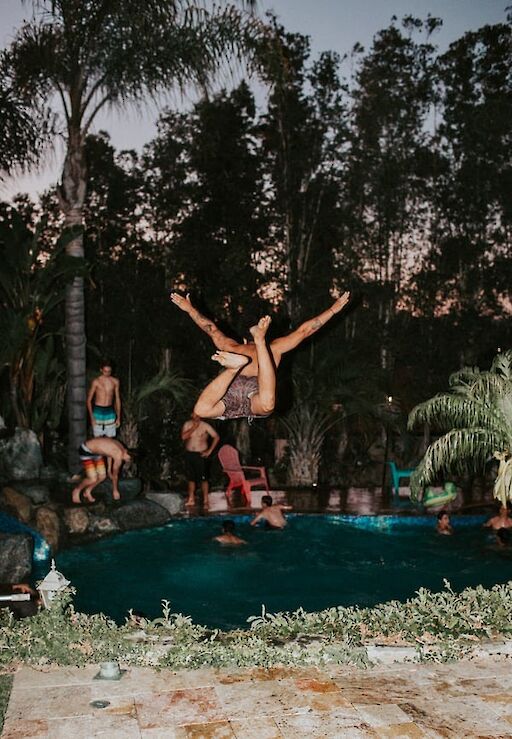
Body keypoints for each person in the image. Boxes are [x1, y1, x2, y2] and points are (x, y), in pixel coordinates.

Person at [170, 291, 350, 420]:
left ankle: (234, 368)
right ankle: (259, 343)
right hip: (256, 393)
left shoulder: (232, 346)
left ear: (243, 339)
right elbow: (304, 331)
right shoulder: (276, 348)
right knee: (267, 405)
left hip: (231, 391)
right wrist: (333, 310)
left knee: (201, 411)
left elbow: (211, 329)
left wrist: (190, 310)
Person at [71, 438, 131, 504]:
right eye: (128, 459)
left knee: (102, 476)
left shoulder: (121, 447)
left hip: (97, 453)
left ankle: (87, 491)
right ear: (127, 454)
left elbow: (109, 454)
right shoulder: (119, 457)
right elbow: (115, 475)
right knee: (92, 479)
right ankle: (76, 490)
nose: (127, 461)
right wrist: (115, 490)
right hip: (86, 450)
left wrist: (109, 470)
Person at [181, 412, 220, 508]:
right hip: (190, 454)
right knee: (191, 478)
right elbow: (183, 437)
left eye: (198, 415)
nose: (196, 417)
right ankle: (191, 499)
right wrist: (193, 428)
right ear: (191, 415)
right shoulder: (187, 424)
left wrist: (209, 451)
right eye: (195, 415)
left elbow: (216, 437)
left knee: (204, 478)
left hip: (201, 454)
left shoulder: (205, 425)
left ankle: (206, 500)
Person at [87, 359, 121, 438]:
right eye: (105, 371)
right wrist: (91, 418)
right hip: (98, 411)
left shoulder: (115, 381)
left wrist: (118, 417)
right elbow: (89, 400)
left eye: (109, 371)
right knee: (98, 438)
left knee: (110, 438)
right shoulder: (96, 382)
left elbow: (117, 399)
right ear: (101, 370)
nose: (107, 373)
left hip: (110, 411)